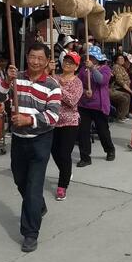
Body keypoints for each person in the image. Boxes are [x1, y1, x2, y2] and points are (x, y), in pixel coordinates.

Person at [0, 42, 62, 252]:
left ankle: (30, 233)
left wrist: (28, 120)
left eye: (40, 58)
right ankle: (38, 206)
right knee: (19, 179)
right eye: (32, 57)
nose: (35, 61)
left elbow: (53, 116)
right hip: (18, 139)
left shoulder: (52, 85)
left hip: (40, 140)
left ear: (47, 61)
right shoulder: (17, 77)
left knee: (33, 187)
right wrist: (6, 80)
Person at [52, 51, 82, 201]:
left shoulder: (77, 82)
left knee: (64, 153)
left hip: (70, 122)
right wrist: (47, 70)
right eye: (66, 61)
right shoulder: (55, 77)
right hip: (53, 120)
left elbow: (72, 101)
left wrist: (59, 88)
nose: (67, 64)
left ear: (76, 67)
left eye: (71, 63)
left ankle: (62, 186)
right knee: (54, 152)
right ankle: (66, 171)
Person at [77, 46, 115, 166]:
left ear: (97, 59)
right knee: (83, 132)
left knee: (103, 130)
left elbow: (101, 81)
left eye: (93, 57)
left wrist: (93, 68)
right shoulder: (83, 69)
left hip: (99, 105)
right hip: (84, 105)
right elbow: (78, 83)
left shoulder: (105, 69)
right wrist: (84, 91)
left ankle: (110, 150)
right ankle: (85, 157)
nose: (90, 59)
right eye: (89, 57)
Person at [110, 54, 132, 121]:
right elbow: (120, 81)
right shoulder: (116, 67)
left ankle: (126, 114)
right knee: (126, 96)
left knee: (128, 95)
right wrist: (130, 90)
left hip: (124, 87)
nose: (122, 60)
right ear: (116, 60)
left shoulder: (122, 67)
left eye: (123, 58)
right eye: (120, 58)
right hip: (117, 88)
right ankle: (120, 116)